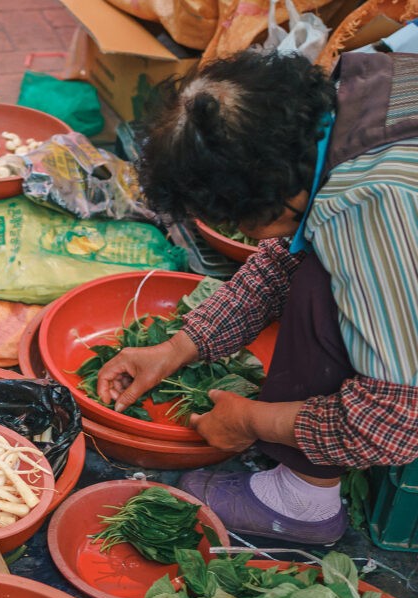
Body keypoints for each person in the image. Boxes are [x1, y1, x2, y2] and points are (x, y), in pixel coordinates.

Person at [97, 49, 418, 545]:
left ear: (270, 195)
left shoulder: (366, 204)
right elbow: (280, 258)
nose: (242, 233)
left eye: (236, 221)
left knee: (319, 284)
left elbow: (394, 418)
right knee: (310, 262)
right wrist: (176, 349)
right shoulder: (347, 104)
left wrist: (252, 421)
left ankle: (304, 501)